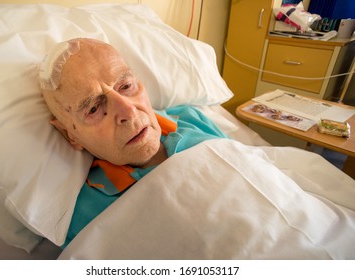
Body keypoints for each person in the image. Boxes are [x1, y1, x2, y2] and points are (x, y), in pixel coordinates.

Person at [39, 38, 229, 247]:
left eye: (126, 86)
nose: (128, 111)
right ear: (70, 135)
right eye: (93, 108)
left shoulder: (190, 118)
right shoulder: (87, 217)